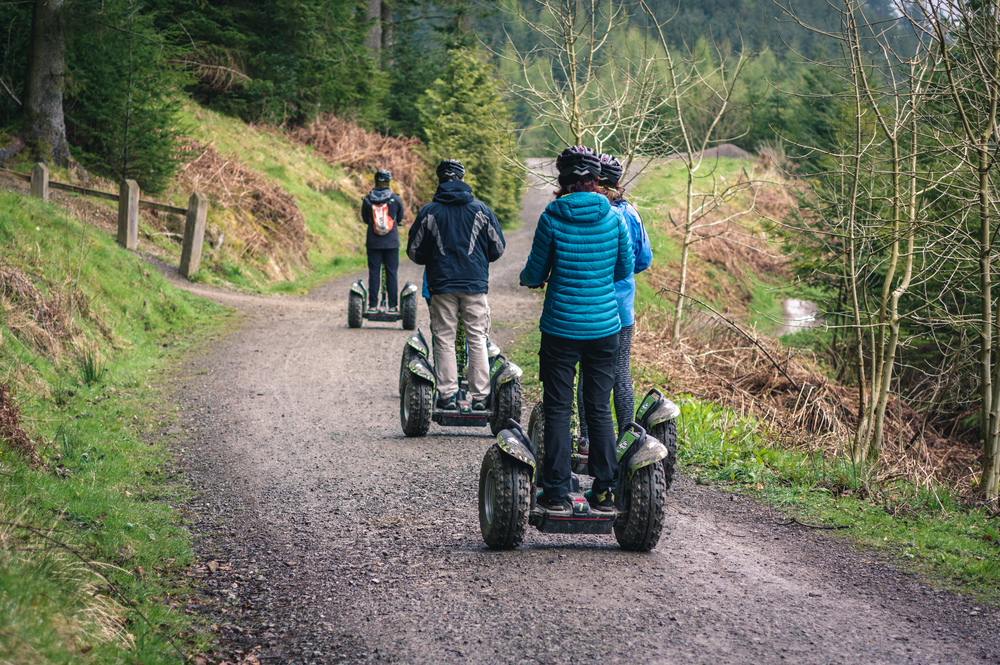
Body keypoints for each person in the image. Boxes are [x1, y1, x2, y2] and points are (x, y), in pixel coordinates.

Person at [520, 146, 634, 515]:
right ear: (596, 180)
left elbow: (534, 272)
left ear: (562, 180)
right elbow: (623, 270)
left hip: (561, 328)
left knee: (558, 407)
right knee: (598, 407)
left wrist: (535, 280)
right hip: (605, 328)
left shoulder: (552, 216)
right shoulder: (614, 218)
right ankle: (605, 490)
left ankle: (554, 493)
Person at [407, 159, 505, 411]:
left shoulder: (429, 211)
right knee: (477, 337)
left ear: (439, 180)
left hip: (442, 283)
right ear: (462, 178)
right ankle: (481, 397)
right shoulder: (482, 210)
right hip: (475, 283)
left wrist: (433, 257)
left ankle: (448, 396)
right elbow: (498, 248)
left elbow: (414, 252)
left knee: (444, 339)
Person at [575, 153, 653, 456]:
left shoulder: (591, 211)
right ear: (618, 181)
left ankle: (586, 438)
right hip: (621, 308)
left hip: (589, 306)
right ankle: (626, 439)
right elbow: (643, 259)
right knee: (621, 371)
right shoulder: (630, 213)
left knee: (586, 372)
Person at [360, 169, 405, 314]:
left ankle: (373, 306)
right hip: (391, 242)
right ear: (388, 181)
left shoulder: (367, 200)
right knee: (391, 272)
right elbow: (400, 218)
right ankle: (392, 306)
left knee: (374, 272)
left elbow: (366, 219)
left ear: (375, 180)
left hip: (373, 242)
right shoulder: (396, 199)